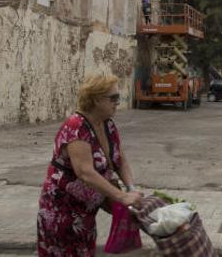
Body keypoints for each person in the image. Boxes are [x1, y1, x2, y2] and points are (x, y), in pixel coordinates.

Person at [37, 75, 143, 256]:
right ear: (96, 99)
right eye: (113, 98)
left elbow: (120, 160)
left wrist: (131, 188)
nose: (118, 103)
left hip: (86, 214)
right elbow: (85, 172)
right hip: (63, 213)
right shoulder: (76, 126)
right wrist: (121, 197)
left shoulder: (108, 124)